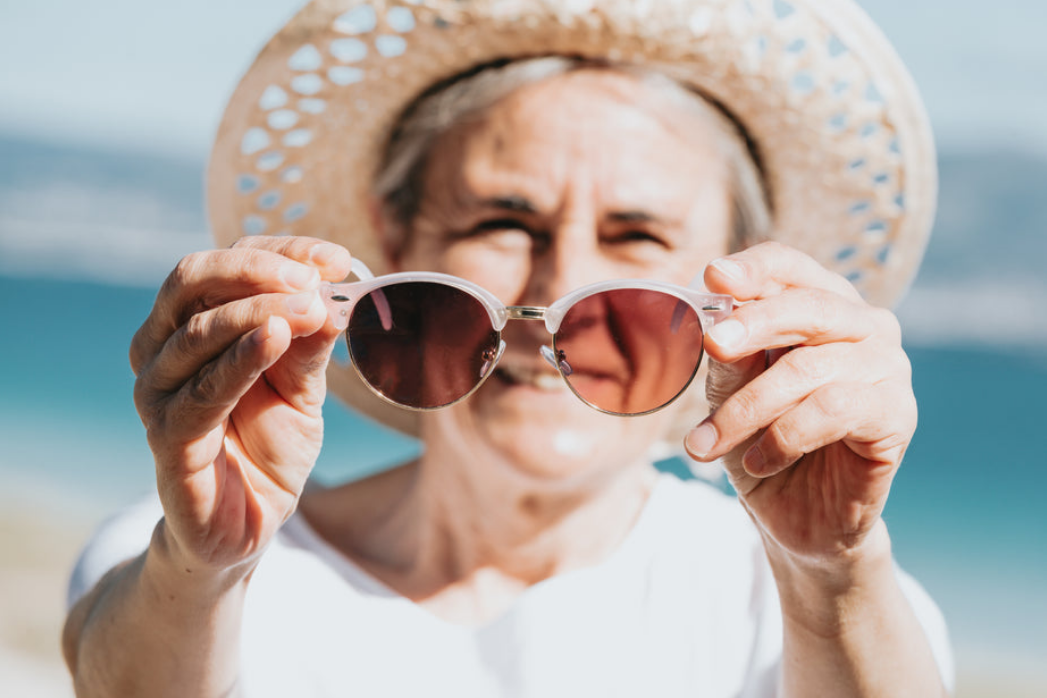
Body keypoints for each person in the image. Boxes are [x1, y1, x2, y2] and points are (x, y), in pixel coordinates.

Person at [62, 1, 954, 696]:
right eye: (501, 219)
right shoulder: (204, 576)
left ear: (731, 285)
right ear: (396, 238)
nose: (559, 288)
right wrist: (202, 563)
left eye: (635, 234)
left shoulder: (802, 605)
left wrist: (831, 573)